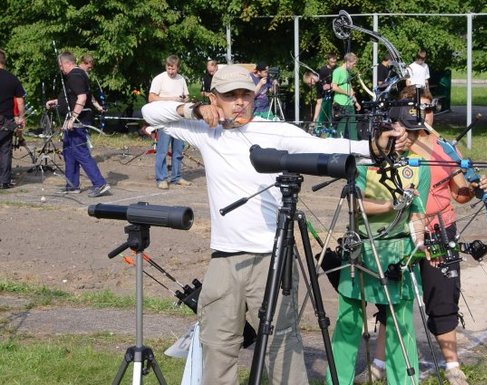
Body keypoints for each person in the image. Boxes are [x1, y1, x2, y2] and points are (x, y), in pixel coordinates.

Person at [141, 64, 408, 385]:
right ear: (214, 98)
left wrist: (375, 147)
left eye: (245, 94)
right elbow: (151, 112)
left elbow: (325, 148)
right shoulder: (205, 130)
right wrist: (192, 109)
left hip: (273, 259)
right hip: (224, 259)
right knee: (217, 343)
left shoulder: (275, 130)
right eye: (230, 96)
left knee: (282, 345)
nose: (239, 102)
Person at [354, 87, 486, 385]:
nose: (424, 114)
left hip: (439, 228)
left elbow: (460, 193)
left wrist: (474, 190)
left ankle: (452, 366)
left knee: (442, 295)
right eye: (416, 108)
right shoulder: (387, 145)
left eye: (427, 108)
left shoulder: (443, 146)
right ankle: (379, 363)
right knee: (392, 298)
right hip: (399, 231)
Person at [327, 115, 430, 385]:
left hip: (398, 250)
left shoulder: (419, 166)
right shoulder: (363, 161)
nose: (399, 136)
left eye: (404, 131)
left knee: (401, 327)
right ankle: (337, 381)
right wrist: (391, 205)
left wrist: (418, 250)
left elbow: (418, 215)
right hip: (360, 248)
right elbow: (353, 203)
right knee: (348, 323)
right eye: (392, 130)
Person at [44, 51, 110, 197]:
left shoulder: (75, 76)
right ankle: (72, 185)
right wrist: (57, 102)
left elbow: (82, 97)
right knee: (68, 151)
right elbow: (73, 97)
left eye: (61, 65)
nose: (60, 69)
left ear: (68, 63)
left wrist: (73, 118)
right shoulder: (77, 75)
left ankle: (100, 183)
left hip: (77, 121)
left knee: (80, 152)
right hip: (71, 121)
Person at [148, 55, 192, 189]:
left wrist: (185, 100)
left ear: (178, 67)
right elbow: (151, 98)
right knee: (162, 151)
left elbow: (187, 96)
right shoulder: (159, 79)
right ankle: (161, 178)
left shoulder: (181, 79)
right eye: (169, 68)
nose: (171, 71)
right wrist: (171, 98)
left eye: (173, 69)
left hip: (178, 120)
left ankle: (176, 177)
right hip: (164, 121)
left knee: (178, 151)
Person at [0, 48, 25, 189]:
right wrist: (20, 117)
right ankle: (4, 181)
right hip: (6, 119)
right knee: (5, 149)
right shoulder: (12, 79)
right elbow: (20, 101)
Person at [332, 52, 361, 140]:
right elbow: (334, 87)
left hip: (350, 104)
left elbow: (350, 88)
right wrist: (347, 93)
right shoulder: (337, 71)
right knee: (341, 128)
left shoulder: (347, 72)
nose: (354, 66)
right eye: (353, 63)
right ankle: (339, 148)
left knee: (353, 127)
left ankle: (355, 147)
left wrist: (356, 102)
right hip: (341, 104)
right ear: (348, 62)